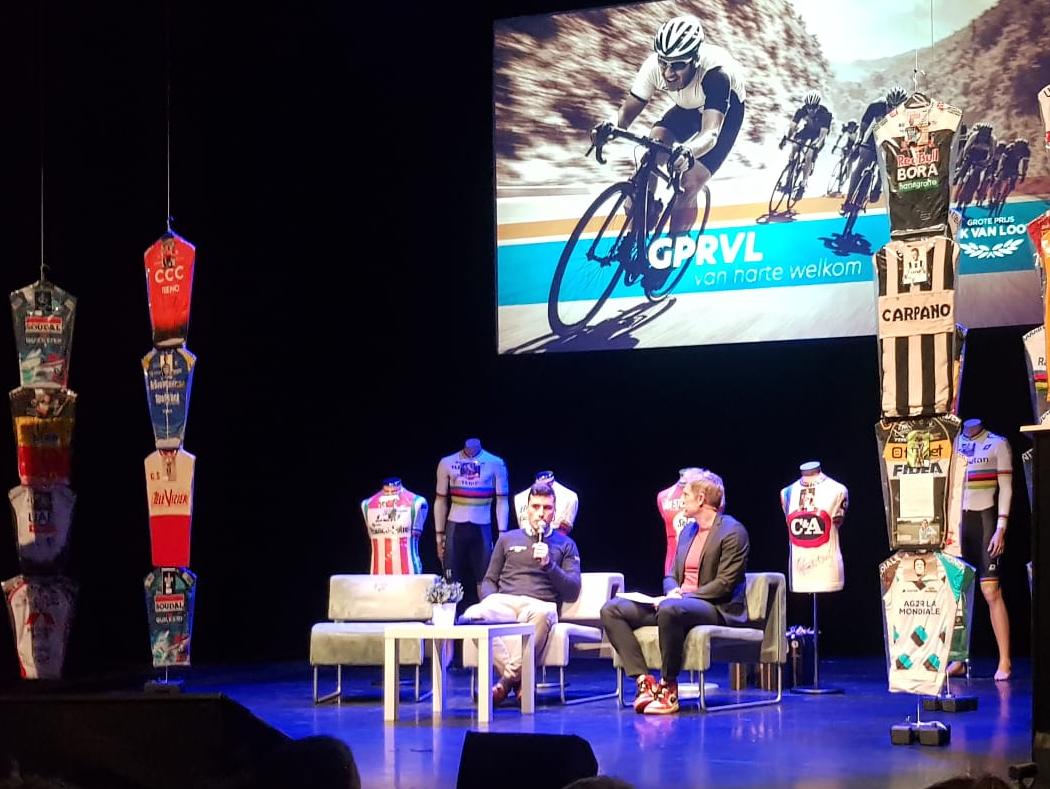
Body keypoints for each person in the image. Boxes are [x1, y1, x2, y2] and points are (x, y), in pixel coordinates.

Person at [593, 15, 745, 285]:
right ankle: (641, 221)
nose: (668, 73)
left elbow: (710, 133)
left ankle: (673, 252)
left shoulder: (716, 75)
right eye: (664, 63)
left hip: (724, 111)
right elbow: (626, 113)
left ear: (695, 60)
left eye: (678, 65)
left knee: (690, 181)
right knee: (652, 150)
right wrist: (610, 127)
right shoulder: (654, 66)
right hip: (687, 107)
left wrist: (688, 152)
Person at [600, 469, 749, 715]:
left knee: (670, 608)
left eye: (686, 495)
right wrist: (672, 591)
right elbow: (671, 574)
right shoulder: (688, 531)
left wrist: (682, 597)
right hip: (678, 604)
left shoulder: (733, 531)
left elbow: (724, 584)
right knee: (612, 609)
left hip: (716, 607)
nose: (682, 500)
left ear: (701, 499)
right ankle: (644, 682)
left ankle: (668, 687)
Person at [461, 482, 581, 705]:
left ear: (554, 511)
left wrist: (549, 564)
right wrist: (491, 601)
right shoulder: (507, 539)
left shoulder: (566, 544)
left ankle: (506, 681)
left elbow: (572, 590)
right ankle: (520, 680)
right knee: (471, 615)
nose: (541, 513)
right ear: (527, 510)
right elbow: (489, 580)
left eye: (547, 508)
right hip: (505, 603)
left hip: (539, 605)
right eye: (536, 507)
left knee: (543, 614)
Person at [951, 418, 1013, 681]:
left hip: (986, 521)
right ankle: (958, 660)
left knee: (990, 591)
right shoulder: (953, 443)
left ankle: (1005, 660)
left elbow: (1006, 488)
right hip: (958, 524)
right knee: (957, 593)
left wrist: (1001, 528)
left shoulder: (997, 443)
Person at [434, 438, 509, 600]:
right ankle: (449, 614)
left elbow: (502, 500)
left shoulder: (496, 463)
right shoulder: (447, 462)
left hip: (482, 528)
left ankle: (486, 613)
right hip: (455, 528)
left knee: (485, 580)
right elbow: (440, 500)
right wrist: (438, 536)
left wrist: (502, 535)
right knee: (450, 581)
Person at [842, 84, 908, 214]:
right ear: (886, 103)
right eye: (890, 106)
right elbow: (864, 126)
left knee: (888, 165)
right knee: (860, 166)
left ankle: (878, 186)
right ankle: (848, 200)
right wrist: (859, 141)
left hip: (894, 139)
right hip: (874, 138)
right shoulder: (876, 106)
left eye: (896, 108)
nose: (892, 110)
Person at [779, 90, 832, 197]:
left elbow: (822, 135)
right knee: (794, 146)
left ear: (818, 106)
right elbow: (792, 126)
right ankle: (788, 178)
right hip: (807, 130)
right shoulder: (802, 110)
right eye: (808, 107)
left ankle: (803, 185)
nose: (811, 110)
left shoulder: (825, 114)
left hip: (818, 135)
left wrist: (816, 146)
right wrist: (786, 138)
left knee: (808, 156)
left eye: (813, 107)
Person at [514, 470, 579, 534]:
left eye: (548, 507)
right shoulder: (519, 498)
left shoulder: (570, 497)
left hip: (555, 540)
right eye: (535, 506)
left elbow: (563, 532)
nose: (541, 513)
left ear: (554, 510)